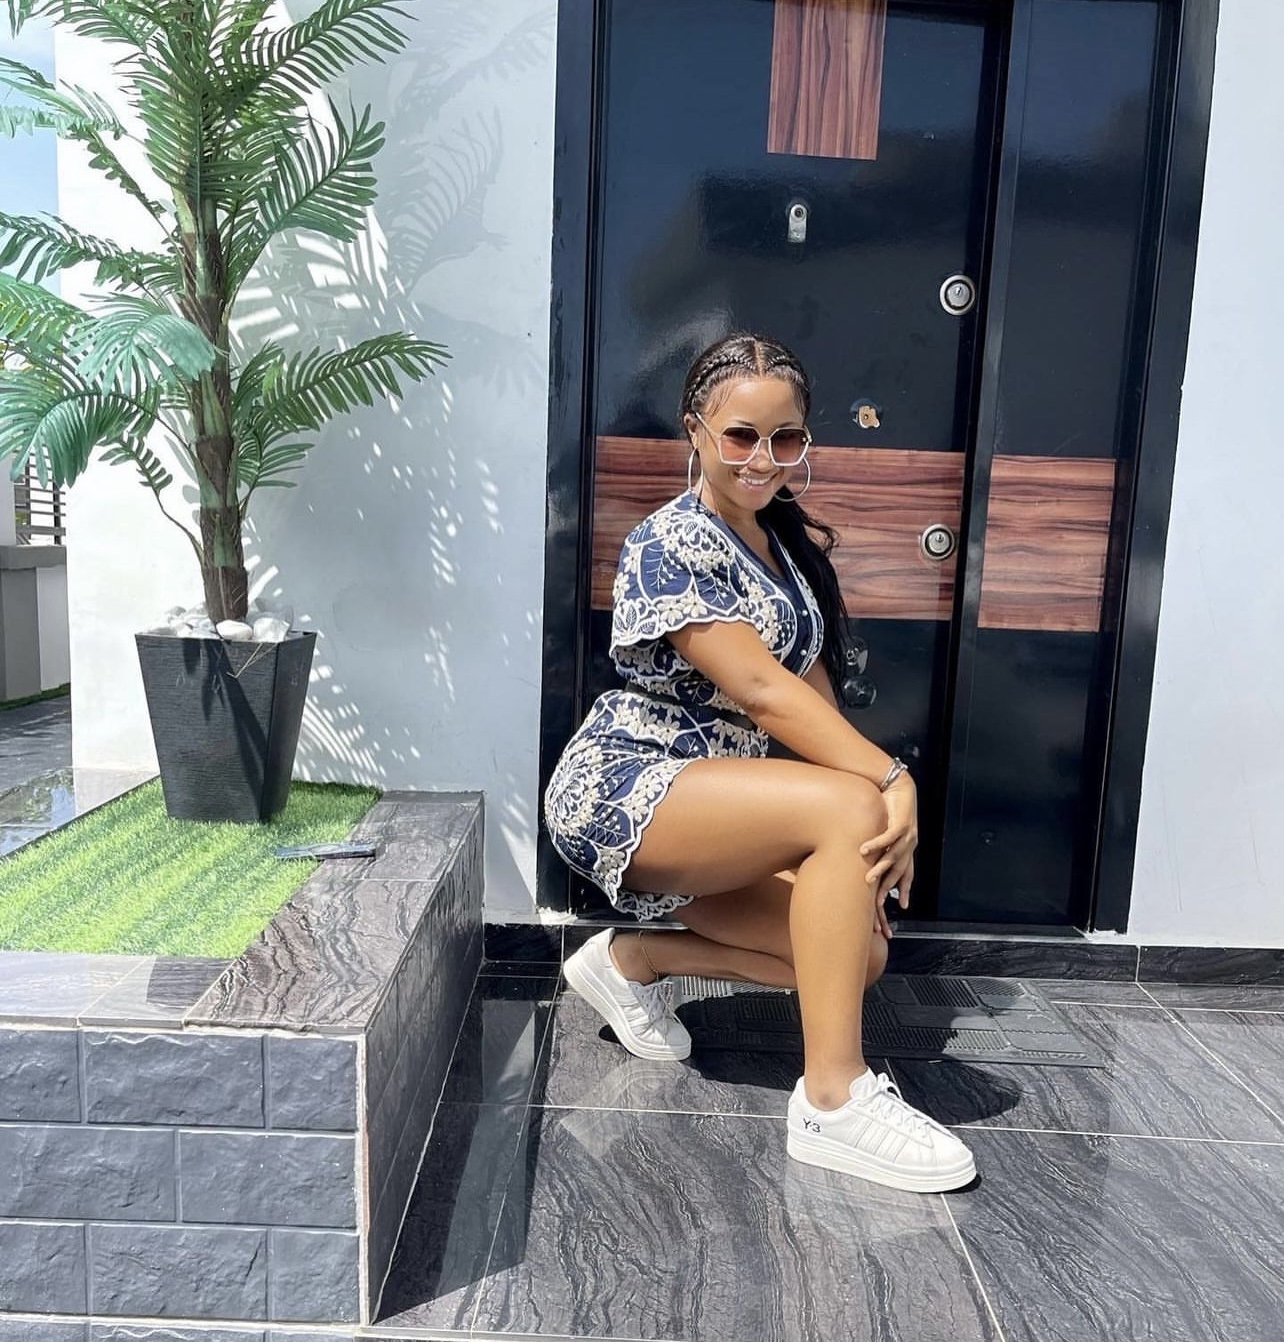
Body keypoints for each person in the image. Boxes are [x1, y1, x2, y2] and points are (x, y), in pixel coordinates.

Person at [545, 333, 975, 1193]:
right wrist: (890, 784)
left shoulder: (779, 550)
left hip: (716, 804)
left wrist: (865, 836)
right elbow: (763, 693)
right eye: (742, 435)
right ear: (696, 431)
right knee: (852, 806)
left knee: (858, 956)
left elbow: (812, 710)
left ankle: (634, 961)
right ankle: (834, 1100)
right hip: (626, 785)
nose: (764, 458)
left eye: (786, 439)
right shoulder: (670, 542)